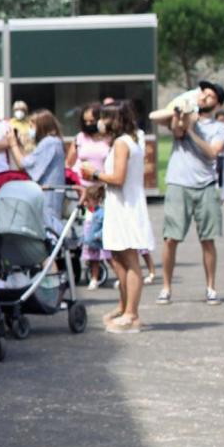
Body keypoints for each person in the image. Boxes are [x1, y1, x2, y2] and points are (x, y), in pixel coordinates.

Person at [76, 99, 151, 333]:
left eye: (105, 117)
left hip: (126, 206)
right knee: (117, 258)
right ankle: (124, 305)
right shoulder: (128, 140)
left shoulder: (122, 143)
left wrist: (94, 172)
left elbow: (118, 178)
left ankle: (132, 314)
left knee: (129, 259)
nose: (100, 122)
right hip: (119, 204)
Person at [158, 79, 224, 307]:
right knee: (171, 239)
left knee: (207, 239)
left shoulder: (219, 128)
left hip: (205, 184)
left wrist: (193, 132)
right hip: (178, 183)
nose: (205, 97)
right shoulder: (186, 117)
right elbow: (176, 130)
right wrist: (183, 118)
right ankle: (166, 287)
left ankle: (211, 288)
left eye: (211, 96)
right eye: (203, 94)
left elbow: (212, 153)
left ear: (217, 104)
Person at [26, 110, 67, 227]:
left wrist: (13, 144)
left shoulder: (49, 142)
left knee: (50, 224)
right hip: (49, 192)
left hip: (49, 192)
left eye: (32, 126)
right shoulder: (53, 142)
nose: (30, 129)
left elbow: (26, 164)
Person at [78, 183, 108, 288]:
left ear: (95, 200)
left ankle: (120, 276)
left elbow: (105, 227)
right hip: (90, 241)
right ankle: (94, 279)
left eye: (87, 200)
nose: (85, 203)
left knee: (110, 259)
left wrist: (98, 235)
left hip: (98, 240)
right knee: (93, 260)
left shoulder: (100, 213)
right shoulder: (88, 212)